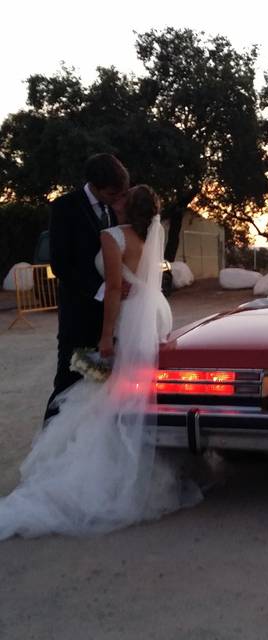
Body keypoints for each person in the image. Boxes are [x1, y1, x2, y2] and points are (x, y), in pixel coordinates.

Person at [0, 185, 201, 539]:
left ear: (127, 206)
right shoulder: (152, 236)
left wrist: (106, 336)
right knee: (137, 386)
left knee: (112, 389)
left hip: (128, 316)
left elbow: (112, 289)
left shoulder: (112, 236)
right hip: (153, 311)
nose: (117, 200)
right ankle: (142, 459)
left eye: (123, 197)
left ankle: (105, 470)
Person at [45, 154, 130, 421]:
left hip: (108, 320)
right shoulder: (65, 207)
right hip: (78, 315)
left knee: (99, 383)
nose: (117, 198)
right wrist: (103, 290)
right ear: (94, 184)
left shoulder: (113, 211)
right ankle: (49, 441)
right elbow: (60, 264)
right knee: (68, 381)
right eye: (112, 192)